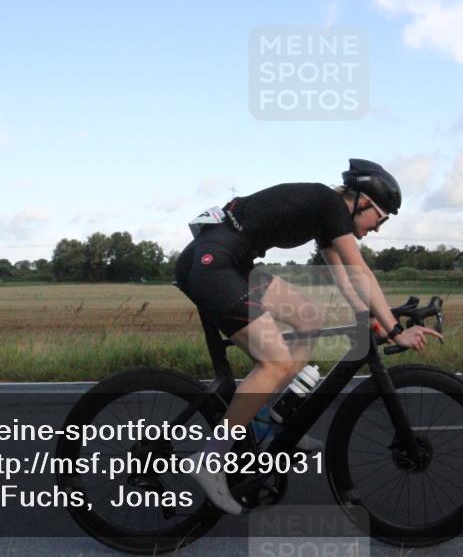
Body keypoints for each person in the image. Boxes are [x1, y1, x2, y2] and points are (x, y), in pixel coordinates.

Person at [174, 158, 442, 514]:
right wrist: (395, 331)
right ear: (362, 202)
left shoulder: (325, 213)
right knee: (275, 362)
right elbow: (361, 272)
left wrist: (374, 321)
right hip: (213, 264)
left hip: (231, 263)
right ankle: (209, 459)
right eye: (382, 217)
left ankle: (267, 420)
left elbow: (346, 279)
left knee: (309, 319)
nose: (378, 228)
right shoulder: (330, 205)